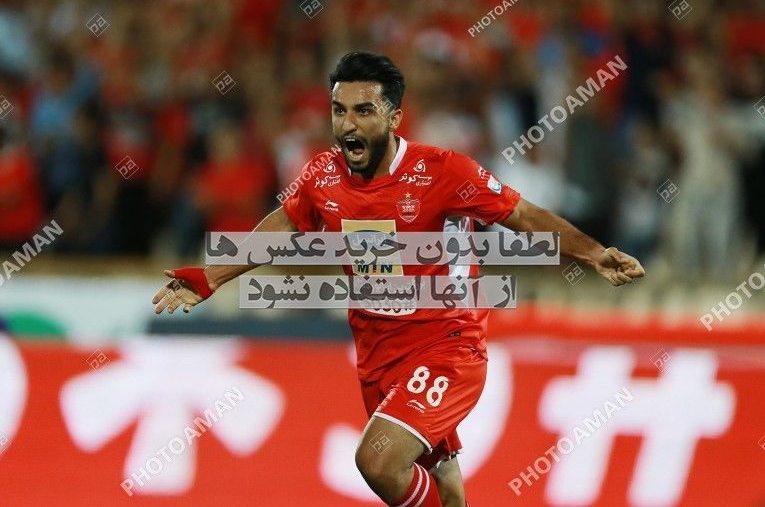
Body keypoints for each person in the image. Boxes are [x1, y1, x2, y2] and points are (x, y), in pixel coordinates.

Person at [152, 51, 645, 507]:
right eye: (339, 111)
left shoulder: (444, 172)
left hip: (447, 343)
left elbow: (524, 216)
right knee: (444, 486)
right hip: (377, 352)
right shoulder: (323, 175)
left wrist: (594, 253)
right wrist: (211, 277)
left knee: (378, 460)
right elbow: (282, 226)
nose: (348, 125)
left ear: (393, 117)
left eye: (363, 111)